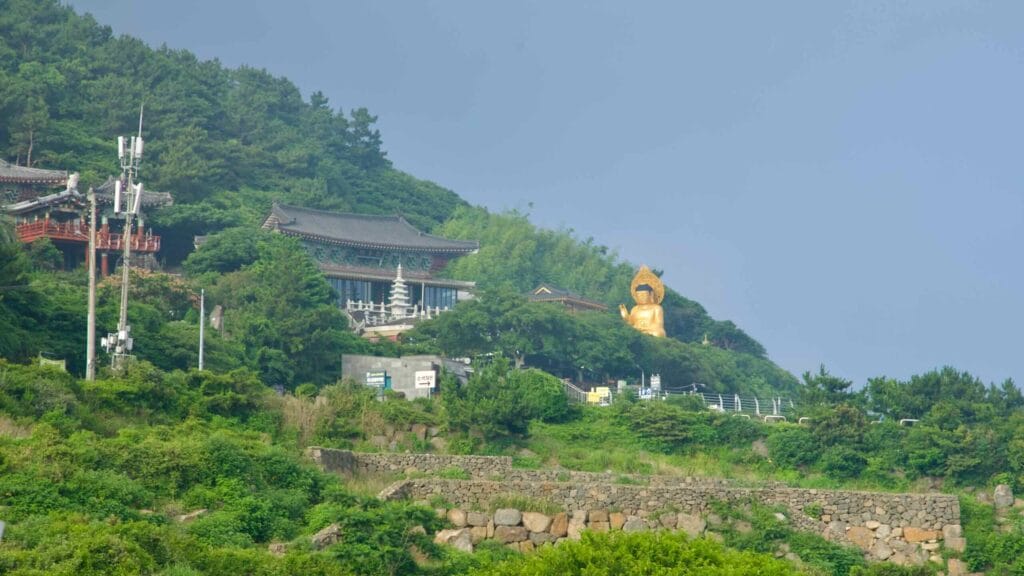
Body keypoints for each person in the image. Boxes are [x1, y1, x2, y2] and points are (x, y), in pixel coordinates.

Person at [619, 265, 666, 337]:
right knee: (627, 332)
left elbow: (659, 325)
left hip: (650, 331)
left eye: (644, 295)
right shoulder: (635, 309)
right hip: (637, 331)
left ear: (651, 295)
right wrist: (626, 317)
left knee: (658, 333)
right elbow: (631, 324)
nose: (641, 297)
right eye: (639, 295)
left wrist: (644, 328)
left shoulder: (657, 308)